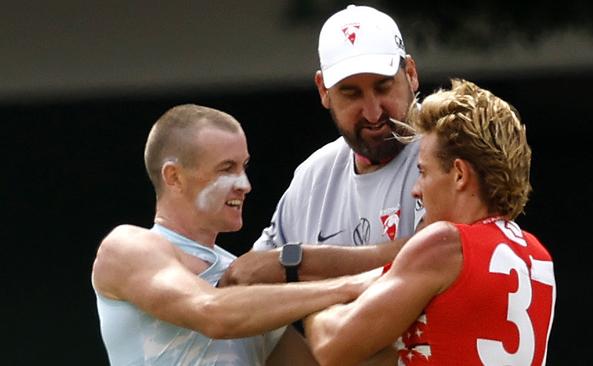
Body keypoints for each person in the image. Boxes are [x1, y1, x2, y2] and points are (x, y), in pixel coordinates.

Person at [90, 104, 377, 365]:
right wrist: (354, 285)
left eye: (244, 167)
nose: (245, 184)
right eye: (227, 169)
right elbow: (212, 313)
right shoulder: (127, 246)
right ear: (173, 177)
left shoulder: (243, 284)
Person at [304, 79, 557, 366]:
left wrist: (320, 286)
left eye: (423, 172)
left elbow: (330, 344)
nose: (416, 189)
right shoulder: (537, 256)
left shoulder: (444, 243)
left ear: (459, 174)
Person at [222, 4, 422, 286]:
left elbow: (448, 252)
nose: (373, 112)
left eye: (383, 86)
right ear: (323, 90)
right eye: (351, 94)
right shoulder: (313, 177)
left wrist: (299, 264)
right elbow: (252, 278)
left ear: (411, 74)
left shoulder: (454, 150)